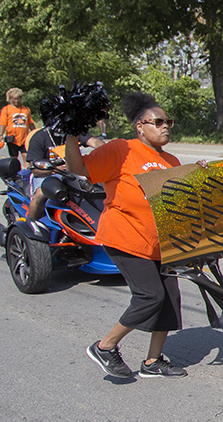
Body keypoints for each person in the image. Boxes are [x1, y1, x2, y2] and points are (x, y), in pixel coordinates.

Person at [65, 92, 204, 379]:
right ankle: (106, 346)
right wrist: (70, 134)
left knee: (168, 299)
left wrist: (199, 175)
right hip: (126, 236)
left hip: (162, 242)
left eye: (169, 121)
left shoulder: (171, 159)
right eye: (158, 121)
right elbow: (78, 168)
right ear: (140, 126)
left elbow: (178, 202)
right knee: (149, 296)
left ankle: (153, 362)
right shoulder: (121, 149)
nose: (166, 126)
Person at [25, 126, 105, 222]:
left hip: (73, 171)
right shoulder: (39, 137)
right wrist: (56, 169)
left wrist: (106, 149)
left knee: (98, 186)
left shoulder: (72, 132)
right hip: (49, 173)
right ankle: (32, 223)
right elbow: (35, 170)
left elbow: (94, 141)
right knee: (40, 194)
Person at [0, 88, 36, 164]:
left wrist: (35, 133)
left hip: (24, 139)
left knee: (26, 158)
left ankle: (26, 173)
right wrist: (1, 135)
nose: (17, 101)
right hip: (12, 139)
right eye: (14, 99)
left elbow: (30, 123)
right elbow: (3, 123)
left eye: (19, 98)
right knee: (14, 159)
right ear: (9, 99)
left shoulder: (26, 109)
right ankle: (15, 174)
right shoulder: (6, 109)